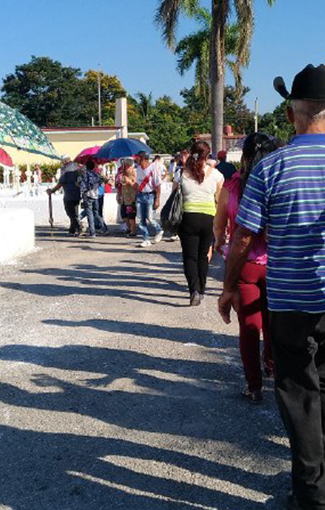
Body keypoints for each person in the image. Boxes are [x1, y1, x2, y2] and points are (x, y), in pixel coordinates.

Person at [218, 64, 325, 510]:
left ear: (292, 114)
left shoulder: (271, 168)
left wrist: (229, 285)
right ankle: (321, 474)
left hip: (290, 302)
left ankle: (313, 493)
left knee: (298, 391)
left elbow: (241, 237)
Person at [214, 133, 279, 402]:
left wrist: (219, 243)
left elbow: (219, 225)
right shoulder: (279, 183)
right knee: (274, 325)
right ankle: (272, 367)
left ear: (244, 156)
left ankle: (254, 386)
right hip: (277, 266)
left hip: (245, 266)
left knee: (249, 327)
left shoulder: (232, 185)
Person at [175, 141, 224, 306]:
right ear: (208, 155)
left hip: (188, 218)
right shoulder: (216, 174)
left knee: (190, 257)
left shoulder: (182, 173)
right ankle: (202, 290)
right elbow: (220, 200)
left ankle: (193, 290)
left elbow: (175, 193)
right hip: (208, 218)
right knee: (203, 256)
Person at [135, 151, 163, 247]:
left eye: (137, 158)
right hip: (140, 195)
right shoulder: (138, 169)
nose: (136, 160)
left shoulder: (152, 168)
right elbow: (138, 184)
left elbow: (158, 185)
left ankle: (159, 230)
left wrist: (157, 199)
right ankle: (146, 239)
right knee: (141, 219)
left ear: (142, 158)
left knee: (150, 218)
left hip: (150, 195)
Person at [47, 161, 82, 236]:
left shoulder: (65, 175)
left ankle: (79, 227)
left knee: (70, 213)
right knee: (74, 213)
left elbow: (59, 185)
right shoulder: (78, 174)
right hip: (77, 196)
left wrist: (52, 191)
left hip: (69, 197)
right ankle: (72, 229)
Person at [79, 159, 107, 237]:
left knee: (90, 214)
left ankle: (92, 232)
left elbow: (82, 186)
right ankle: (104, 228)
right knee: (96, 213)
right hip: (95, 195)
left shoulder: (85, 175)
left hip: (87, 196)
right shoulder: (96, 174)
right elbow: (101, 182)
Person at [116, 158, 139, 237]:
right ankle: (129, 228)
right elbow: (120, 186)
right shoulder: (122, 173)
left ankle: (133, 230)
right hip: (124, 197)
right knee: (124, 215)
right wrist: (119, 194)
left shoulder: (134, 172)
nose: (126, 167)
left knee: (131, 215)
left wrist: (129, 181)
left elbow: (136, 186)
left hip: (131, 197)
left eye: (127, 166)